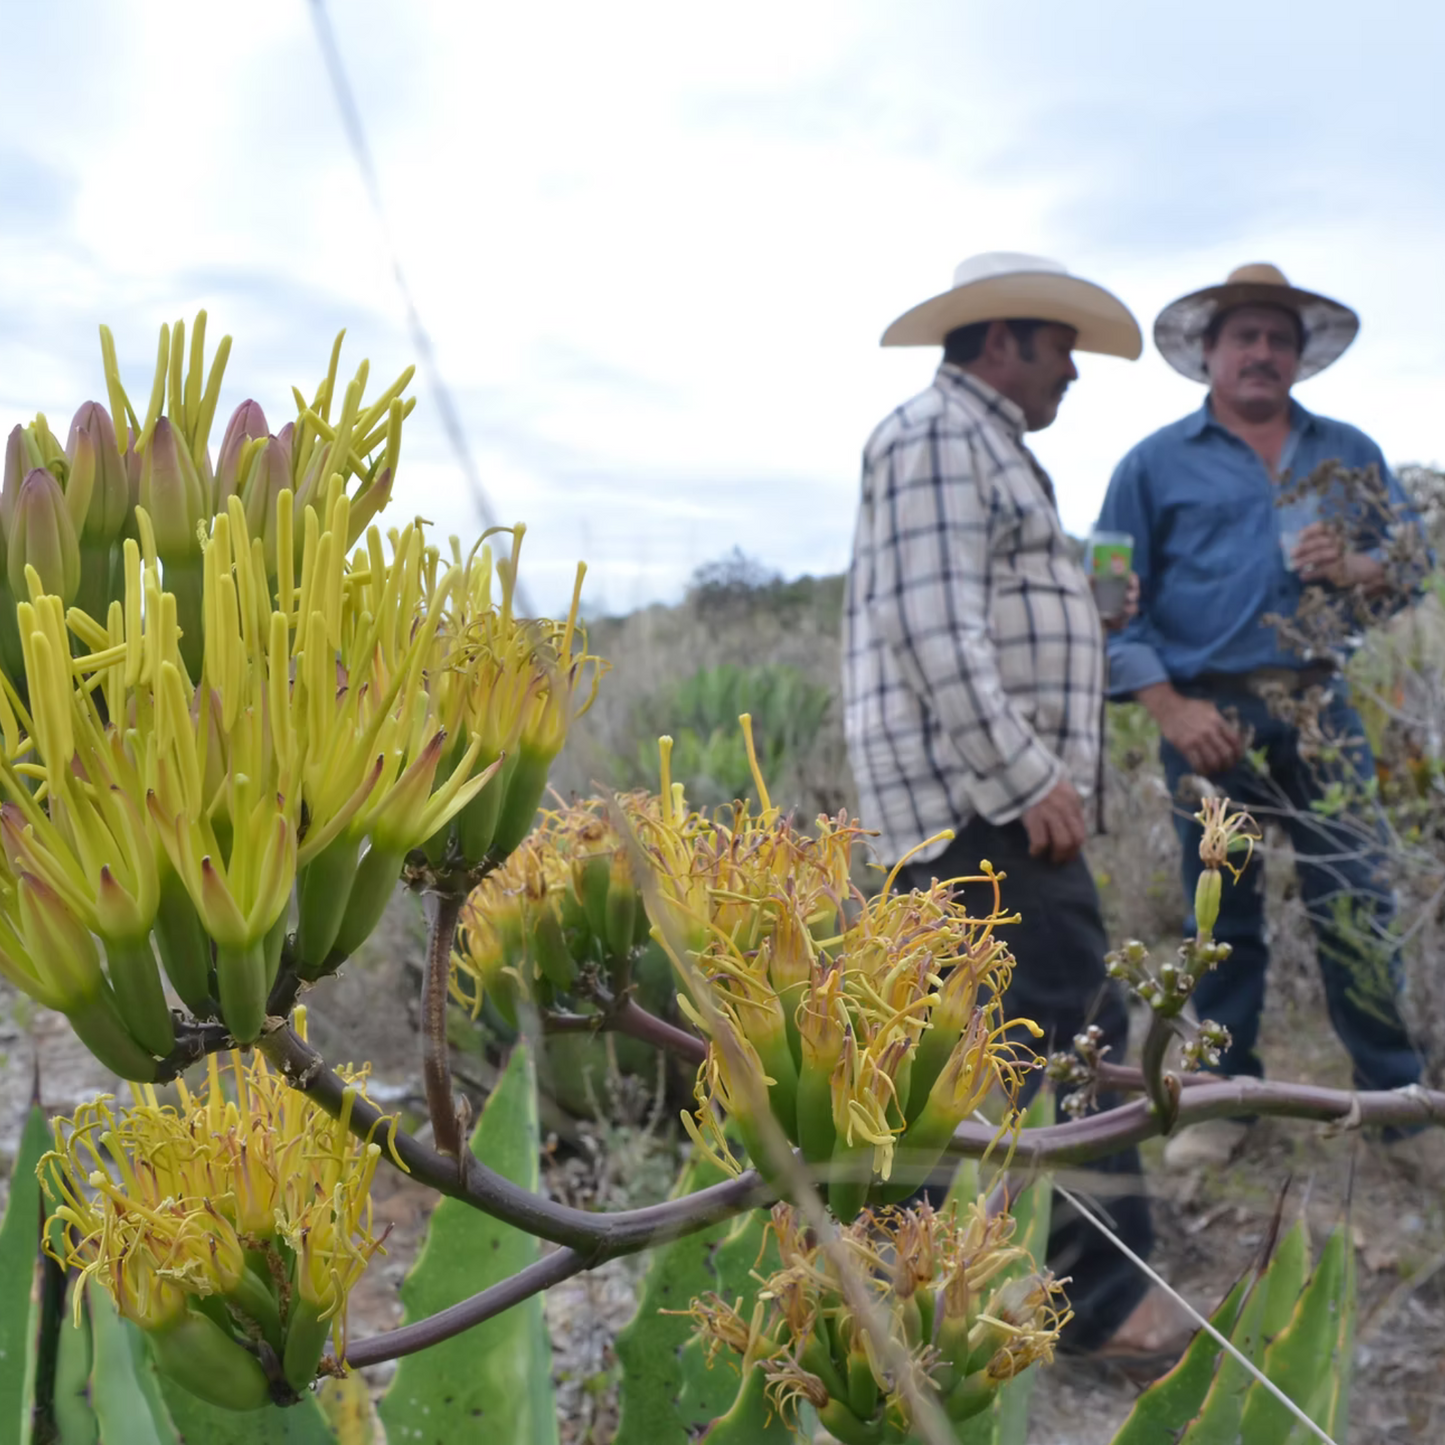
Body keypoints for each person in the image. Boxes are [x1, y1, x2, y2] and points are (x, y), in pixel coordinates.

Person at [843, 252, 1188, 1363]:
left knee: (955, 1046)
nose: (1072, 374)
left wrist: (1081, 607)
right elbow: (931, 629)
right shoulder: (938, 434)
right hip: (979, 809)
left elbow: (968, 606)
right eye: (1060, 350)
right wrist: (1025, 778)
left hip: (968, 806)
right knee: (1065, 1029)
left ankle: (912, 1293)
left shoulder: (977, 445)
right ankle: (1099, 1306)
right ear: (1002, 340)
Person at [1097, 263, 1426, 1170]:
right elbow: (1106, 603)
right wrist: (1169, 707)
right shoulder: (1149, 464)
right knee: (1220, 917)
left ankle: (1398, 1106)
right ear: (1207, 352)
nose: (1261, 351)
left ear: (1298, 356)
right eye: (1243, 335)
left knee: (1355, 899)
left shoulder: (1347, 451)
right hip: (1206, 716)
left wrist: (1355, 568)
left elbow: (1413, 565)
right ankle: (1221, 1097)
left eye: (1279, 338)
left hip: (1320, 707)